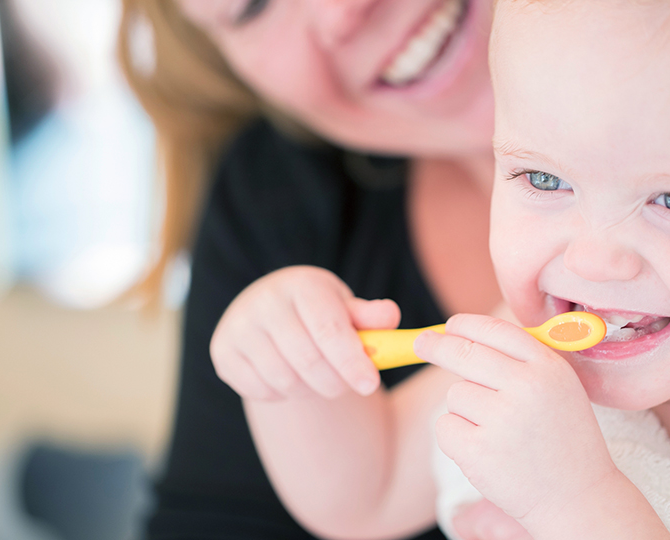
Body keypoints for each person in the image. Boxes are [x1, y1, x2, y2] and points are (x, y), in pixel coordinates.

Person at [212, 0, 670, 538]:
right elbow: (366, 495)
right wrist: (291, 368)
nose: (590, 261)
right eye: (544, 177)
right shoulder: (553, 340)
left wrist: (576, 501)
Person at [117, 0, 506, 538]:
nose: (343, 10)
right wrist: (289, 371)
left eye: (667, 200)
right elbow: (369, 494)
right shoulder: (271, 201)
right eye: (251, 6)